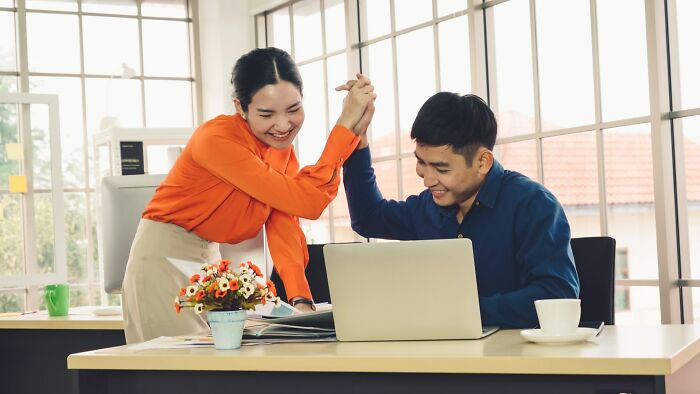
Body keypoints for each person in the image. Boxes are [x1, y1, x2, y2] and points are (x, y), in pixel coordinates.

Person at [122, 47, 375, 344]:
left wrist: (300, 298)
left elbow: (285, 223)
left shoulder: (279, 151)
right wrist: (344, 127)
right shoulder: (216, 140)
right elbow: (310, 201)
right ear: (240, 107)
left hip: (210, 263)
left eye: (293, 109)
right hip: (163, 259)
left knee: (215, 371)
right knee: (177, 373)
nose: (283, 125)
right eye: (266, 114)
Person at [342, 92, 579, 328]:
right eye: (421, 163)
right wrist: (357, 139)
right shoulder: (428, 206)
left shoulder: (533, 204)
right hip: (441, 355)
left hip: (517, 358)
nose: (427, 180)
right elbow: (368, 218)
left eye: (441, 169)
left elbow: (557, 296)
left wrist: (463, 312)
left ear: (482, 162)